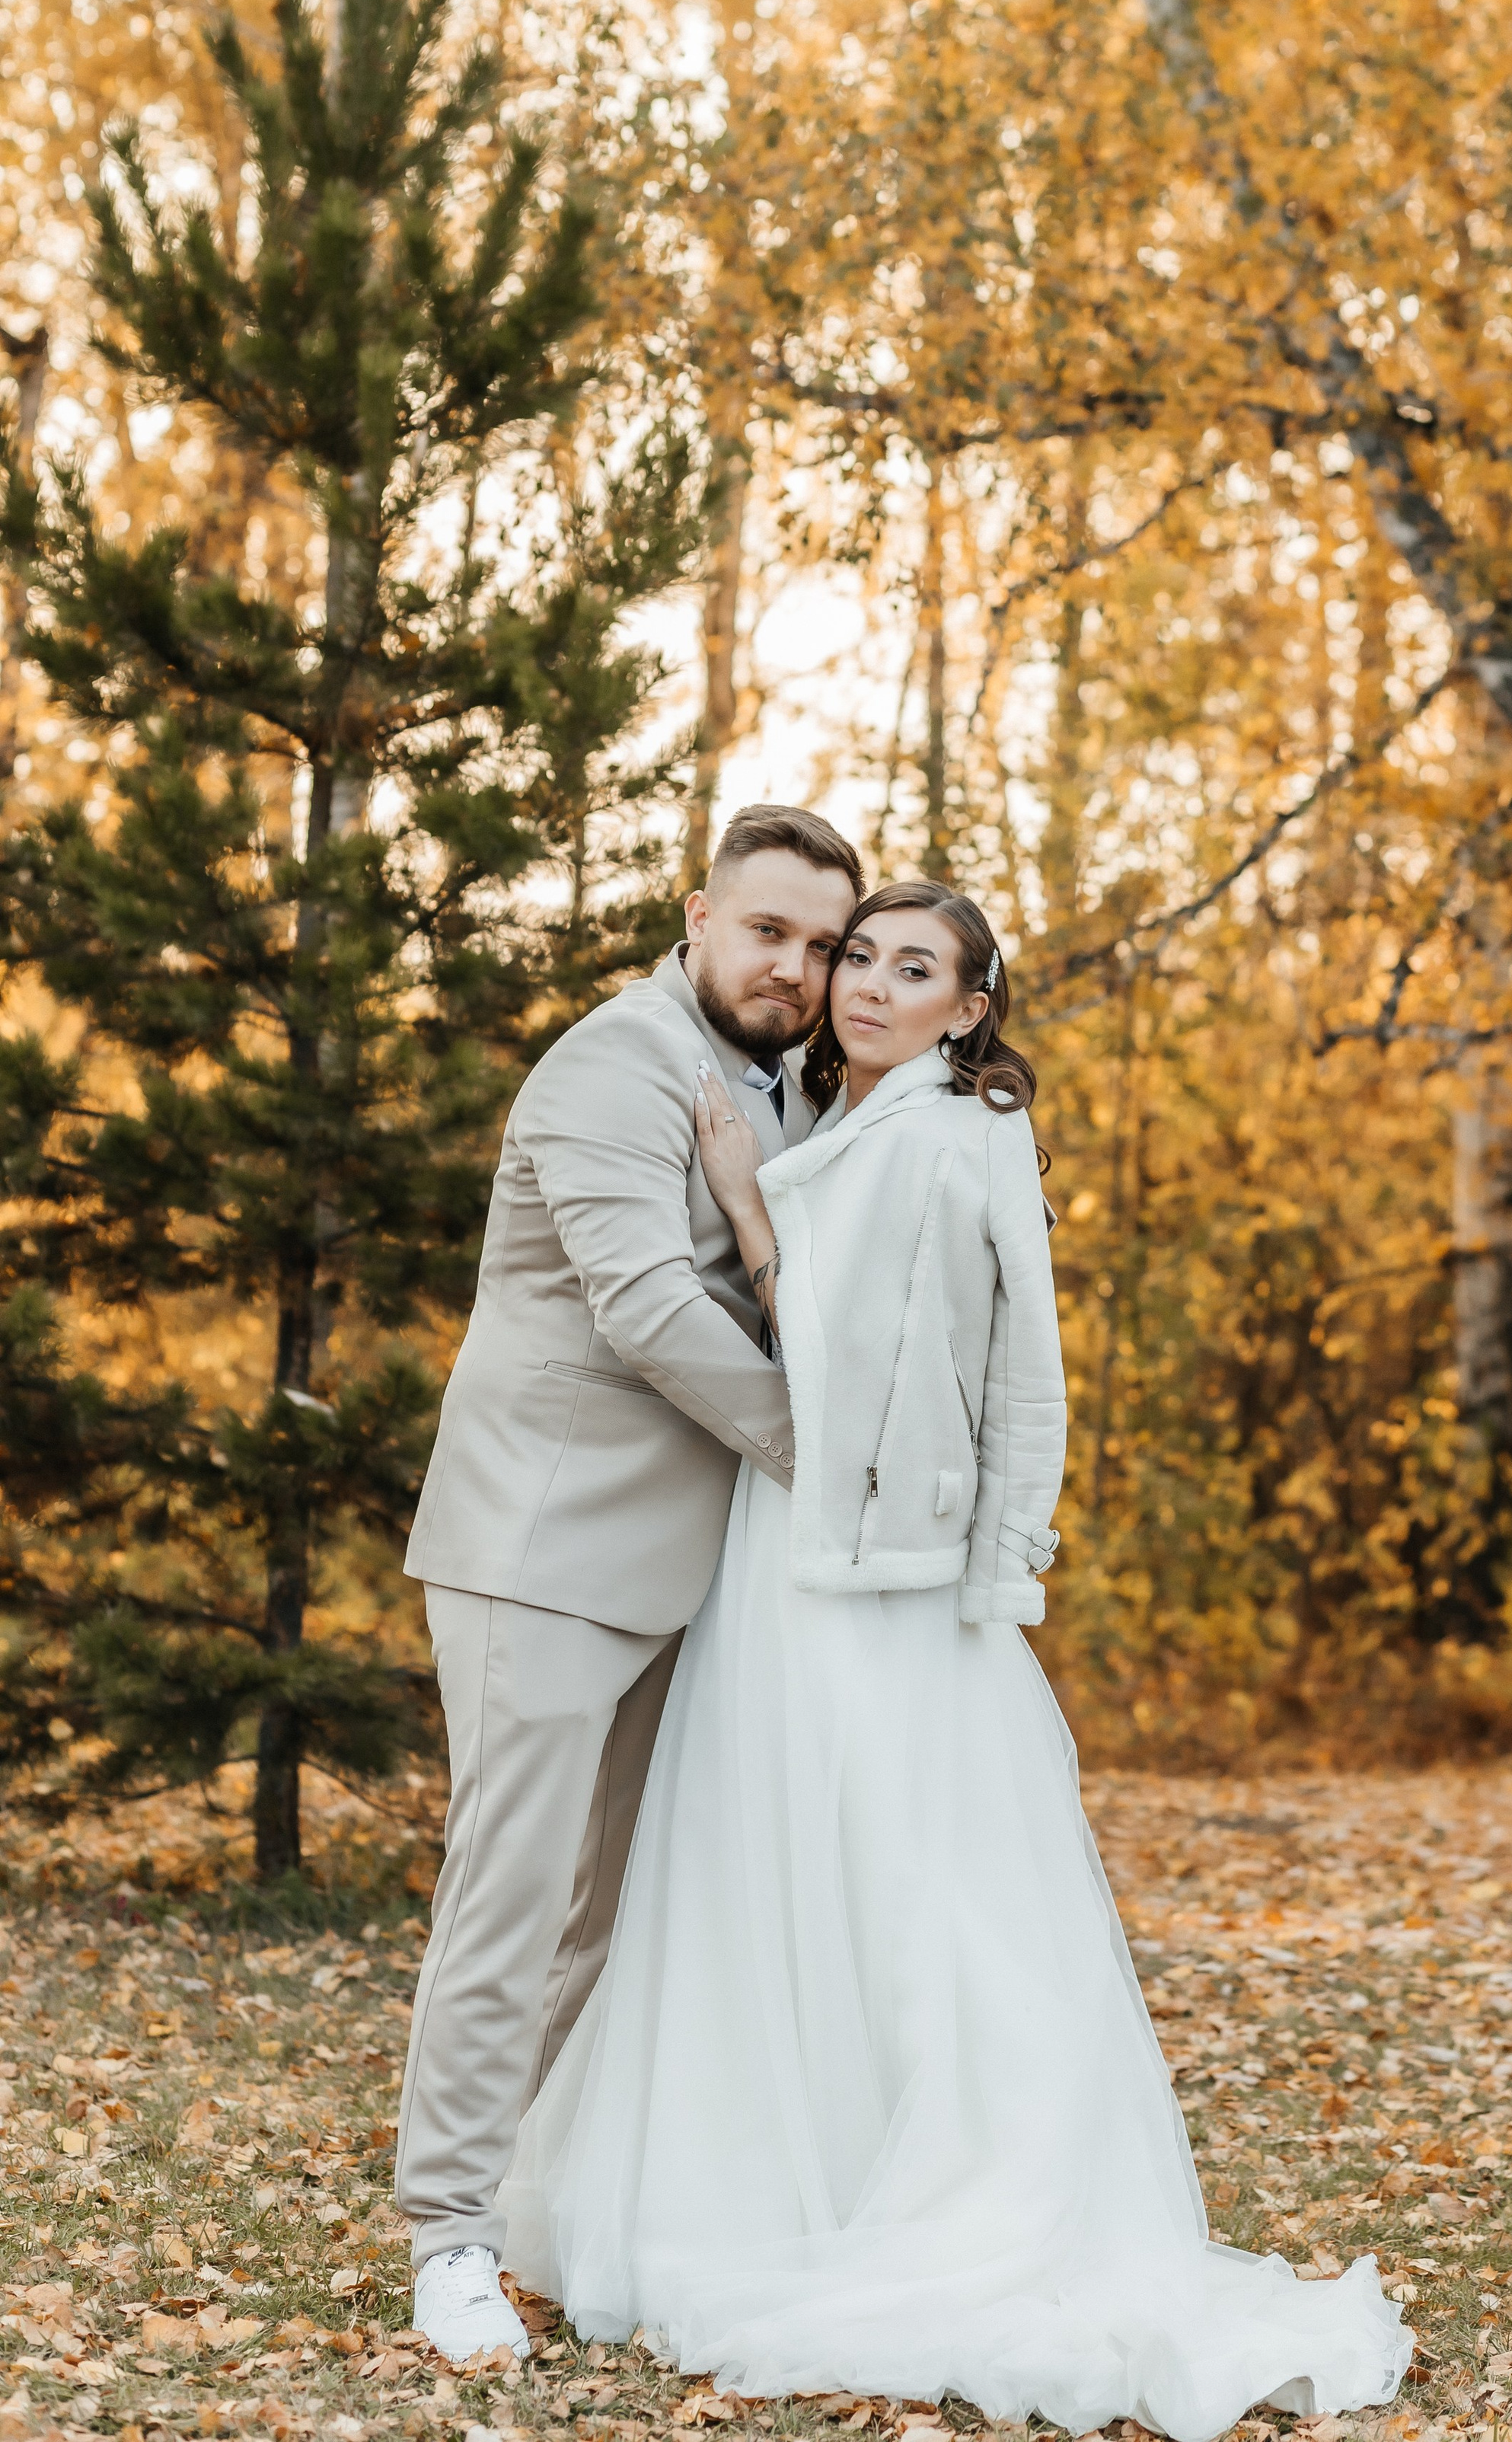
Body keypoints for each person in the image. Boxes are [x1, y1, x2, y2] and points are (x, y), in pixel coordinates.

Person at [500, 881, 1414, 2442]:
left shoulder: (959, 1134)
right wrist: (748, 1192)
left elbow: (1022, 1381)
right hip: (779, 1556)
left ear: (969, 1008)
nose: (863, 984)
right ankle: (782, 2176)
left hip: (893, 1580)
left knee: (917, 1888)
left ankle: (962, 2189)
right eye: (859, 955)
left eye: (911, 968)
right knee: (771, 1868)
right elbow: (813, 1334)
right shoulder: (830, 1128)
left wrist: (1002, 1578)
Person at [394, 805, 865, 2367]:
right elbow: (652, 1311)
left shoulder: (784, 1090)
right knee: (510, 1899)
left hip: (681, 1568)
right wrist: (831, 1457)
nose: (792, 969)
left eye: (818, 945)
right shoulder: (612, 1061)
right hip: (542, 1547)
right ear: (697, 914)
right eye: (767, 932)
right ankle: (445, 2239)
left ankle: (529, 2196)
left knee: (605, 1917)